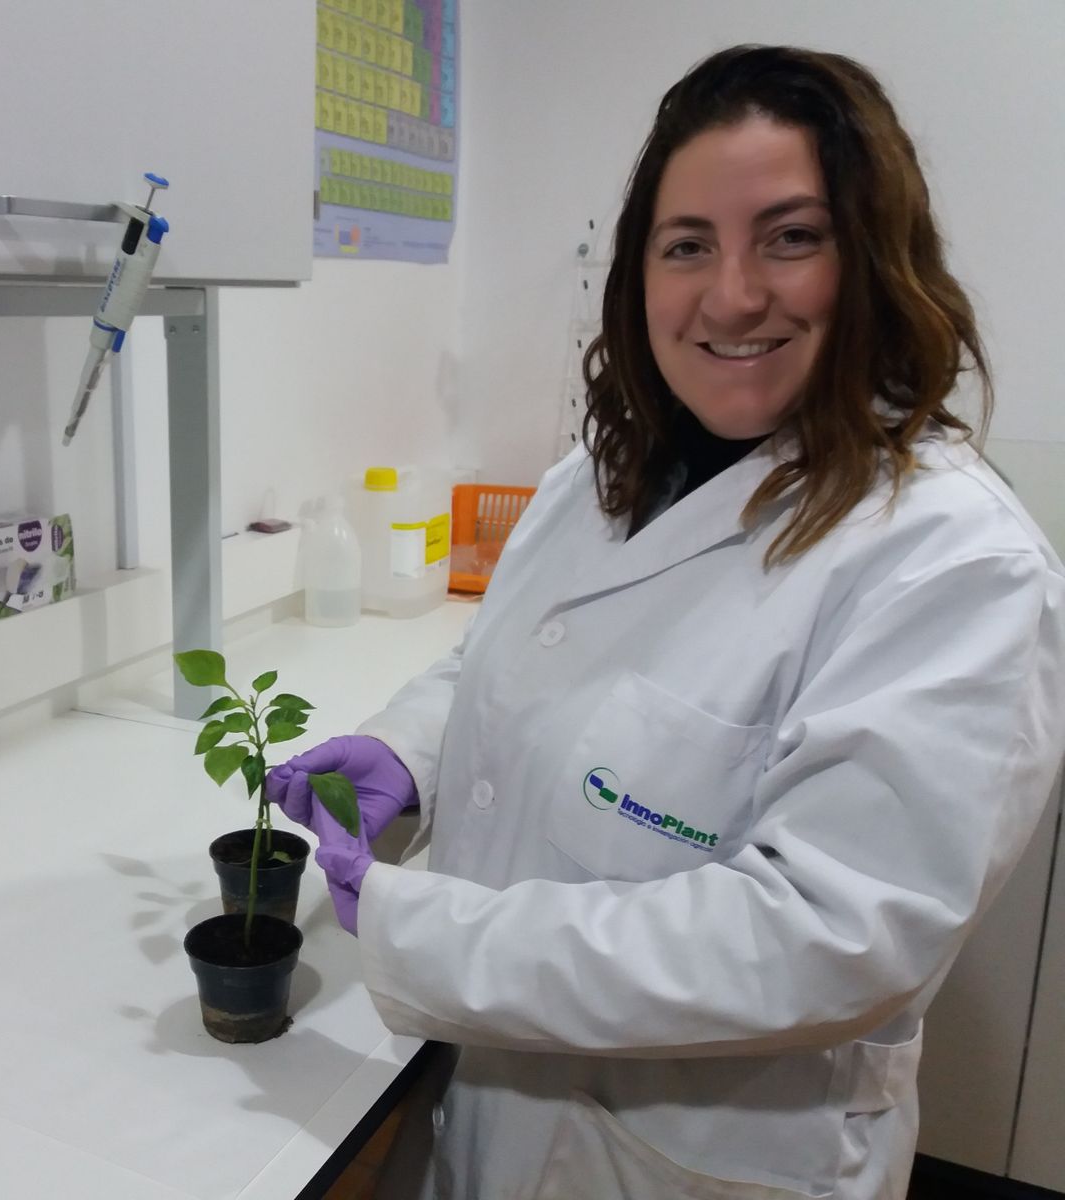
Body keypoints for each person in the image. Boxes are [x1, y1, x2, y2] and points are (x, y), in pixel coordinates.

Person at [266, 45, 1065, 1200]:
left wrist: (424, 934)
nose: (731, 295)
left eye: (791, 237)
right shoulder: (598, 478)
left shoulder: (948, 560)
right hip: (487, 1108)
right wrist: (410, 749)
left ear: (875, 258)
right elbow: (507, 659)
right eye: (686, 244)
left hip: (694, 1159)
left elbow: (827, 940)